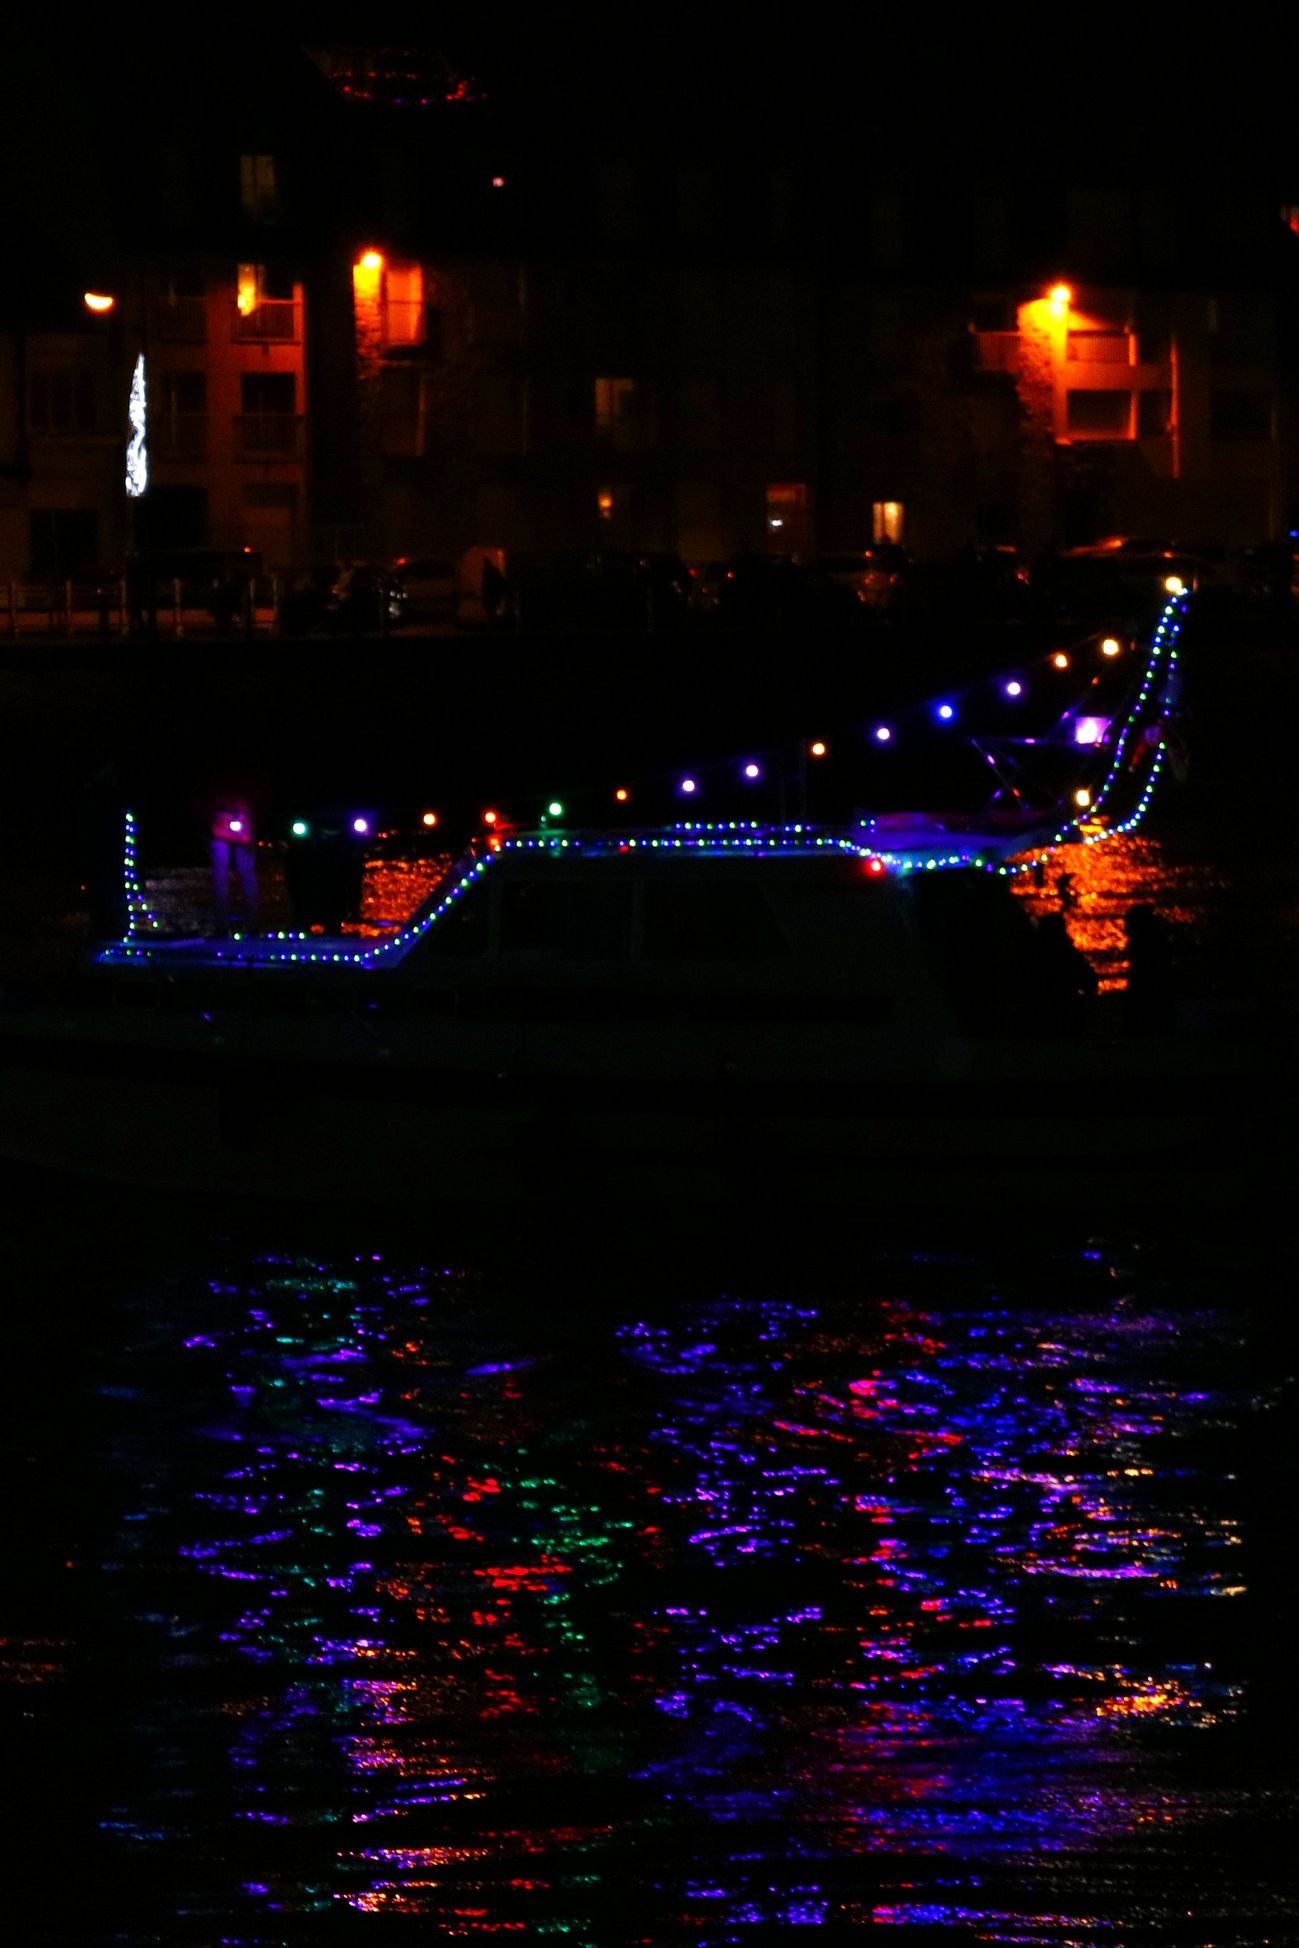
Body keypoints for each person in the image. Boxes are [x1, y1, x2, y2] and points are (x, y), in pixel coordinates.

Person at [197, 772, 266, 933]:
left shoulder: (213, 776)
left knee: (223, 876)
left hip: (226, 821)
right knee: (243, 875)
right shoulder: (248, 777)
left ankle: (224, 926)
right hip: (239, 821)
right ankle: (250, 925)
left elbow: (201, 800)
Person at [1123, 904, 1178, 1035]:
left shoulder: (1144, 943)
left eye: (1128, 923)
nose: (1125, 928)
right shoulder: (1158, 939)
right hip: (1155, 991)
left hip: (1147, 992)